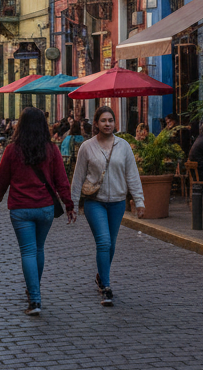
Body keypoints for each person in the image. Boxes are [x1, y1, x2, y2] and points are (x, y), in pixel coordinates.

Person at [0, 106, 75, 316]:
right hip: (45, 208)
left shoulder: (12, 150)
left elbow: (2, 179)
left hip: (20, 208)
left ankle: (35, 300)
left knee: (28, 251)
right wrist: (69, 204)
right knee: (38, 249)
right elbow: (61, 180)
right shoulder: (51, 150)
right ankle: (33, 290)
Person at [71, 106, 144, 307]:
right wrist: (73, 204)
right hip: (95, 201)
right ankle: (106, 287)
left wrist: (139, 201)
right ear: (96, 123)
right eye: (103, 120)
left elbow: (132, 175)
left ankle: (101, 275)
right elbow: (78, 178)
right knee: (103, 242)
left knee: (110, 244)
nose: (107, 124)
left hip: (118, 202)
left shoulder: (124, 146)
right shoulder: (87, 147)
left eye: (110, 120)